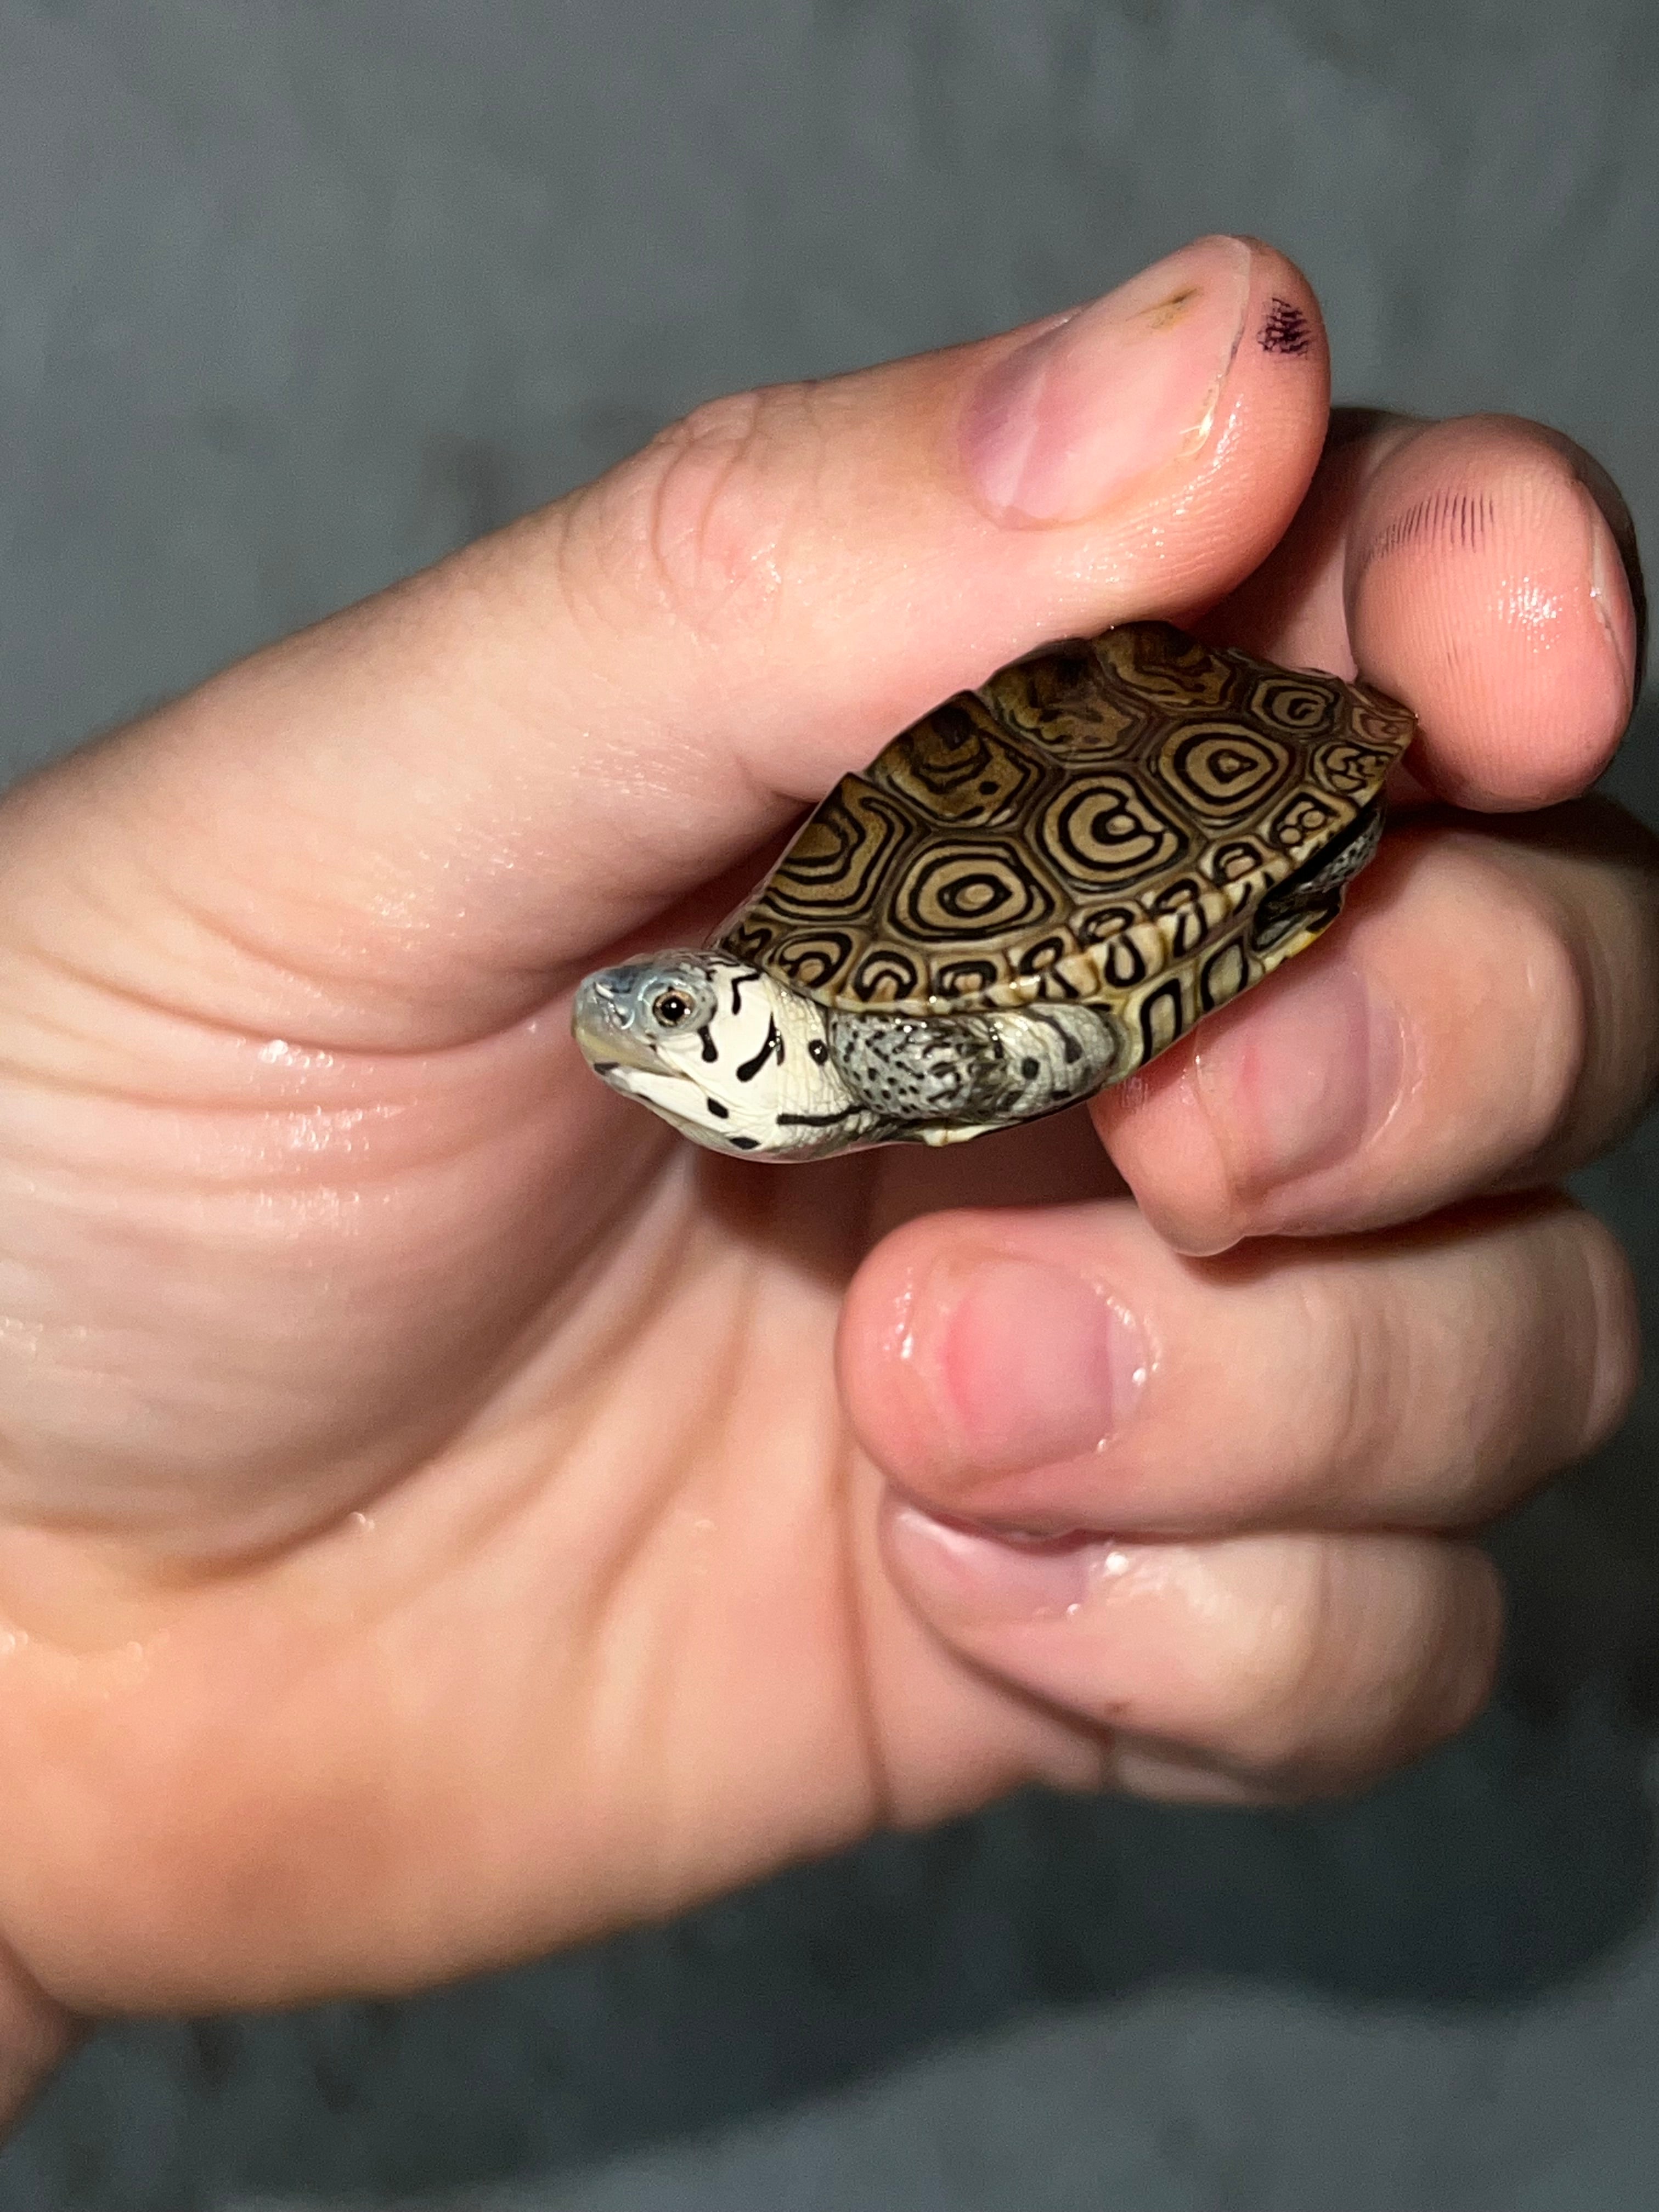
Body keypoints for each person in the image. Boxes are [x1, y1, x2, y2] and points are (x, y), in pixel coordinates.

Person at [0, 235, 1650, 2128]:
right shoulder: (831, 1053)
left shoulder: (865, 1021)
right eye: (682, 1027)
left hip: (1186, 823)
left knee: (1280, 1076)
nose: (654, 1041)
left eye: (689, 1021)